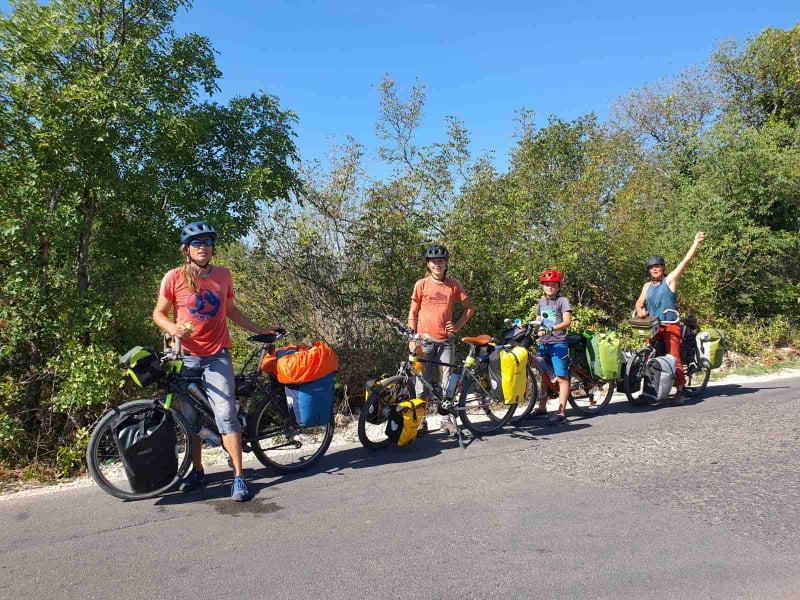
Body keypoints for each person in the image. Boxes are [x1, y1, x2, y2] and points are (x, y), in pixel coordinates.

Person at [153, 220, 280, 502]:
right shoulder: (173, 277)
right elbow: (159, 314)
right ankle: (198, 471)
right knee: (192, 418)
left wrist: (259, 329)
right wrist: (172, 328)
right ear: (186, 249)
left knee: (225, 414)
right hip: (185, 358)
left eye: (208, 243)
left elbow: (230, 311)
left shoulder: (223, 275)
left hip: (217, 355)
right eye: (197, 243)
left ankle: (238, 476)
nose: (203, 247)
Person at [407, 244, 475, 436]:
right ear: (428, 264)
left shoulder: (453, 285)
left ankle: (446, 420)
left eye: (440, 261)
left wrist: (458, 325)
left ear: (446, 264)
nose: (437, 264)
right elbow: (413, 312)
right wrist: (412, 337)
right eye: (433, 261)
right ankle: (421, 421)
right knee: (422, 383)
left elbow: (470, 308)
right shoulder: (421, 284)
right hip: (424, 341)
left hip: (446, 341)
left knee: (447, 384)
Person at [634, 231, 706, 401]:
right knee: (649, 356)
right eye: (651, 267)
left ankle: (680, 391)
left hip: (670, 323)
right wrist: (640, 311)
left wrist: (695, 243)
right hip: (653, 325)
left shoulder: (670, 280)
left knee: (674, 356)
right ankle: (649, 392)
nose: (654, 269)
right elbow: (639, 303)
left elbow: (685, 262)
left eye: (657, 266)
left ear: (663, 268)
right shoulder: (647, 286)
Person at [530, 270, 572, 425]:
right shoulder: (542, 302)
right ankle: (542, 408)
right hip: (544, 342)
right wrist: (531, 327)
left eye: (553, 284)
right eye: (547, 284)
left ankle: (561, 412)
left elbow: (567, 321)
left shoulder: (562, 301)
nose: (550, 287)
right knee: (544, 376)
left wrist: (552, 328)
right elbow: (539, 319)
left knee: (562, 378)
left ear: (558, 286)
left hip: (558, 343)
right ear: (542, 286)